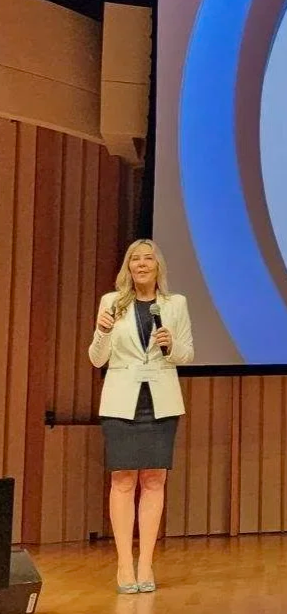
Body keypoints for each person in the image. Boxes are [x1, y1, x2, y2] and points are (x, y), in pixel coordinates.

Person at [89, 239, 194, 594]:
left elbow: (187, 355)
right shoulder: (111, 303)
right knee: (122, 480)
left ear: (158, 266)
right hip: (121, 399)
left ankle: (146, 563)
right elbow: (96, 359)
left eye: (148, 258)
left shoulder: (174, 304)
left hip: (160, 399)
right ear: (128, 267)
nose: (142, 264)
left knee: (154, 480)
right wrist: (102, 331)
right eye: (135, 259)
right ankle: (123, 565)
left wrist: (171, 345)